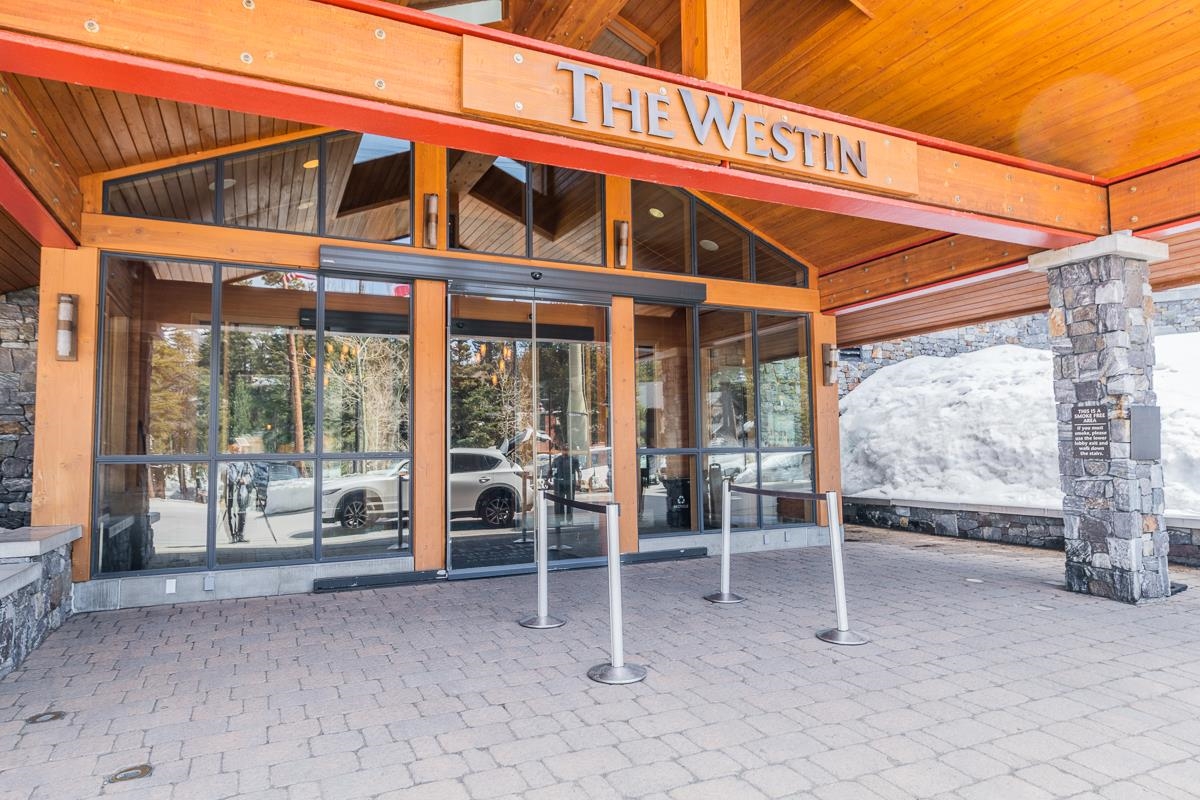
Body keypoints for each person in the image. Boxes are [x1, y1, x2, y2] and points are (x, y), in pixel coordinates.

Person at [225, 442, 253, 543]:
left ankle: (241, 534)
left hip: (242, 492)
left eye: (238, 450)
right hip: (232, 491)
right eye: (235, 450)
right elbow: (230, 476)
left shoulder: (245, 463)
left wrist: (245, 479)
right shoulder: (228, 463)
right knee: (231, 514)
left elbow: (250, 474)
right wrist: (237, 480)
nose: (237, 452)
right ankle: (233, 536)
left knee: (242, 513)